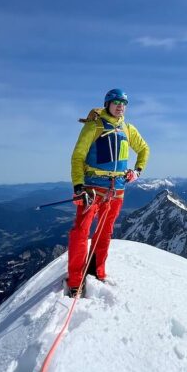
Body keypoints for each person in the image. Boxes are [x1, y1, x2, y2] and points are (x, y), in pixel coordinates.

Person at [66, 87, 149, 296]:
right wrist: (78, 186)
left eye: (124, 104)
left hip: (117, 189)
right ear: (107, 105)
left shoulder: (128, 129)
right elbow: (77, 157)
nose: (120, 107)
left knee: (105, 232)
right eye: (116, 103)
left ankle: (97, 270)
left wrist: (137, 171)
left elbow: (144, 149)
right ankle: (76, 279)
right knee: (81, 231)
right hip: (92, 188)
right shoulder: (93, 126)